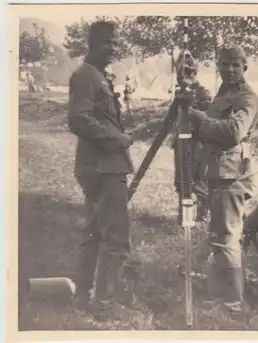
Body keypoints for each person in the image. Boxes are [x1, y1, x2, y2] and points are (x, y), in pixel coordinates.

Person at [67, 20, 137, 321]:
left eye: (115, 42)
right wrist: (118, 139)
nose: (113, 48)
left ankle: (83, 297)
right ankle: (104, 303)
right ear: (92, 45)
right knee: (115, 237)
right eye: (107, 43)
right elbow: (79, 120)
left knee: (95, 232)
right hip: (103, 167)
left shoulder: (98, 76)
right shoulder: (86, 75)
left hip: (102, 165)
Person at [187, 44, 258, 313]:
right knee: (219, 234)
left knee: (227, 236)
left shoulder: (247, 97)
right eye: (225, 64)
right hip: (219, 172)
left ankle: (233, 302)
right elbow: (212, 121)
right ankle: (223, 295)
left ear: (244, 67)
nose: (229, 69)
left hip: (233, 175)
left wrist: (199, 118)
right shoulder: (223, 94)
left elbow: (233, 131)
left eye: (235, 65)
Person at [165, 53, 212, 224]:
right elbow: (172, 118)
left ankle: (203, 216)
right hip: (182, 144)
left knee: (198, 181)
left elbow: (208, 120)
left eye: (182, 73)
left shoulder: (203, 93)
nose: (179, 77)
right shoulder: (180, 93)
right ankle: (184, 218)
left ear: (191, 73)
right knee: (182, 182)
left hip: (197, 144)